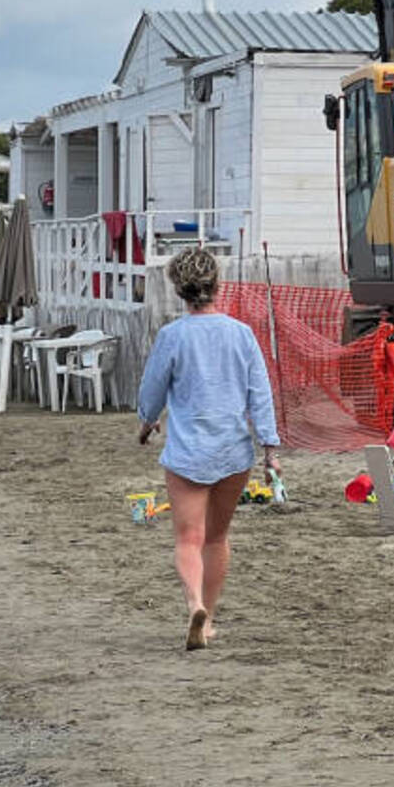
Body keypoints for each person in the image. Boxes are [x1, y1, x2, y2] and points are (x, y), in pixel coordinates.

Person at [136, 248, 280, 651]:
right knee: (216, 538)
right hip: (233, 452)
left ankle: (193, 604)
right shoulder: (241, 334)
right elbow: (260, 395)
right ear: (218, 285)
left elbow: (151, 392)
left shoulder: (172, 337)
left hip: (186, 452)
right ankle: (210, 619)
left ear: (179, 290)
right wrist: (270, 449)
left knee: (188, 538)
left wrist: (147, 422)